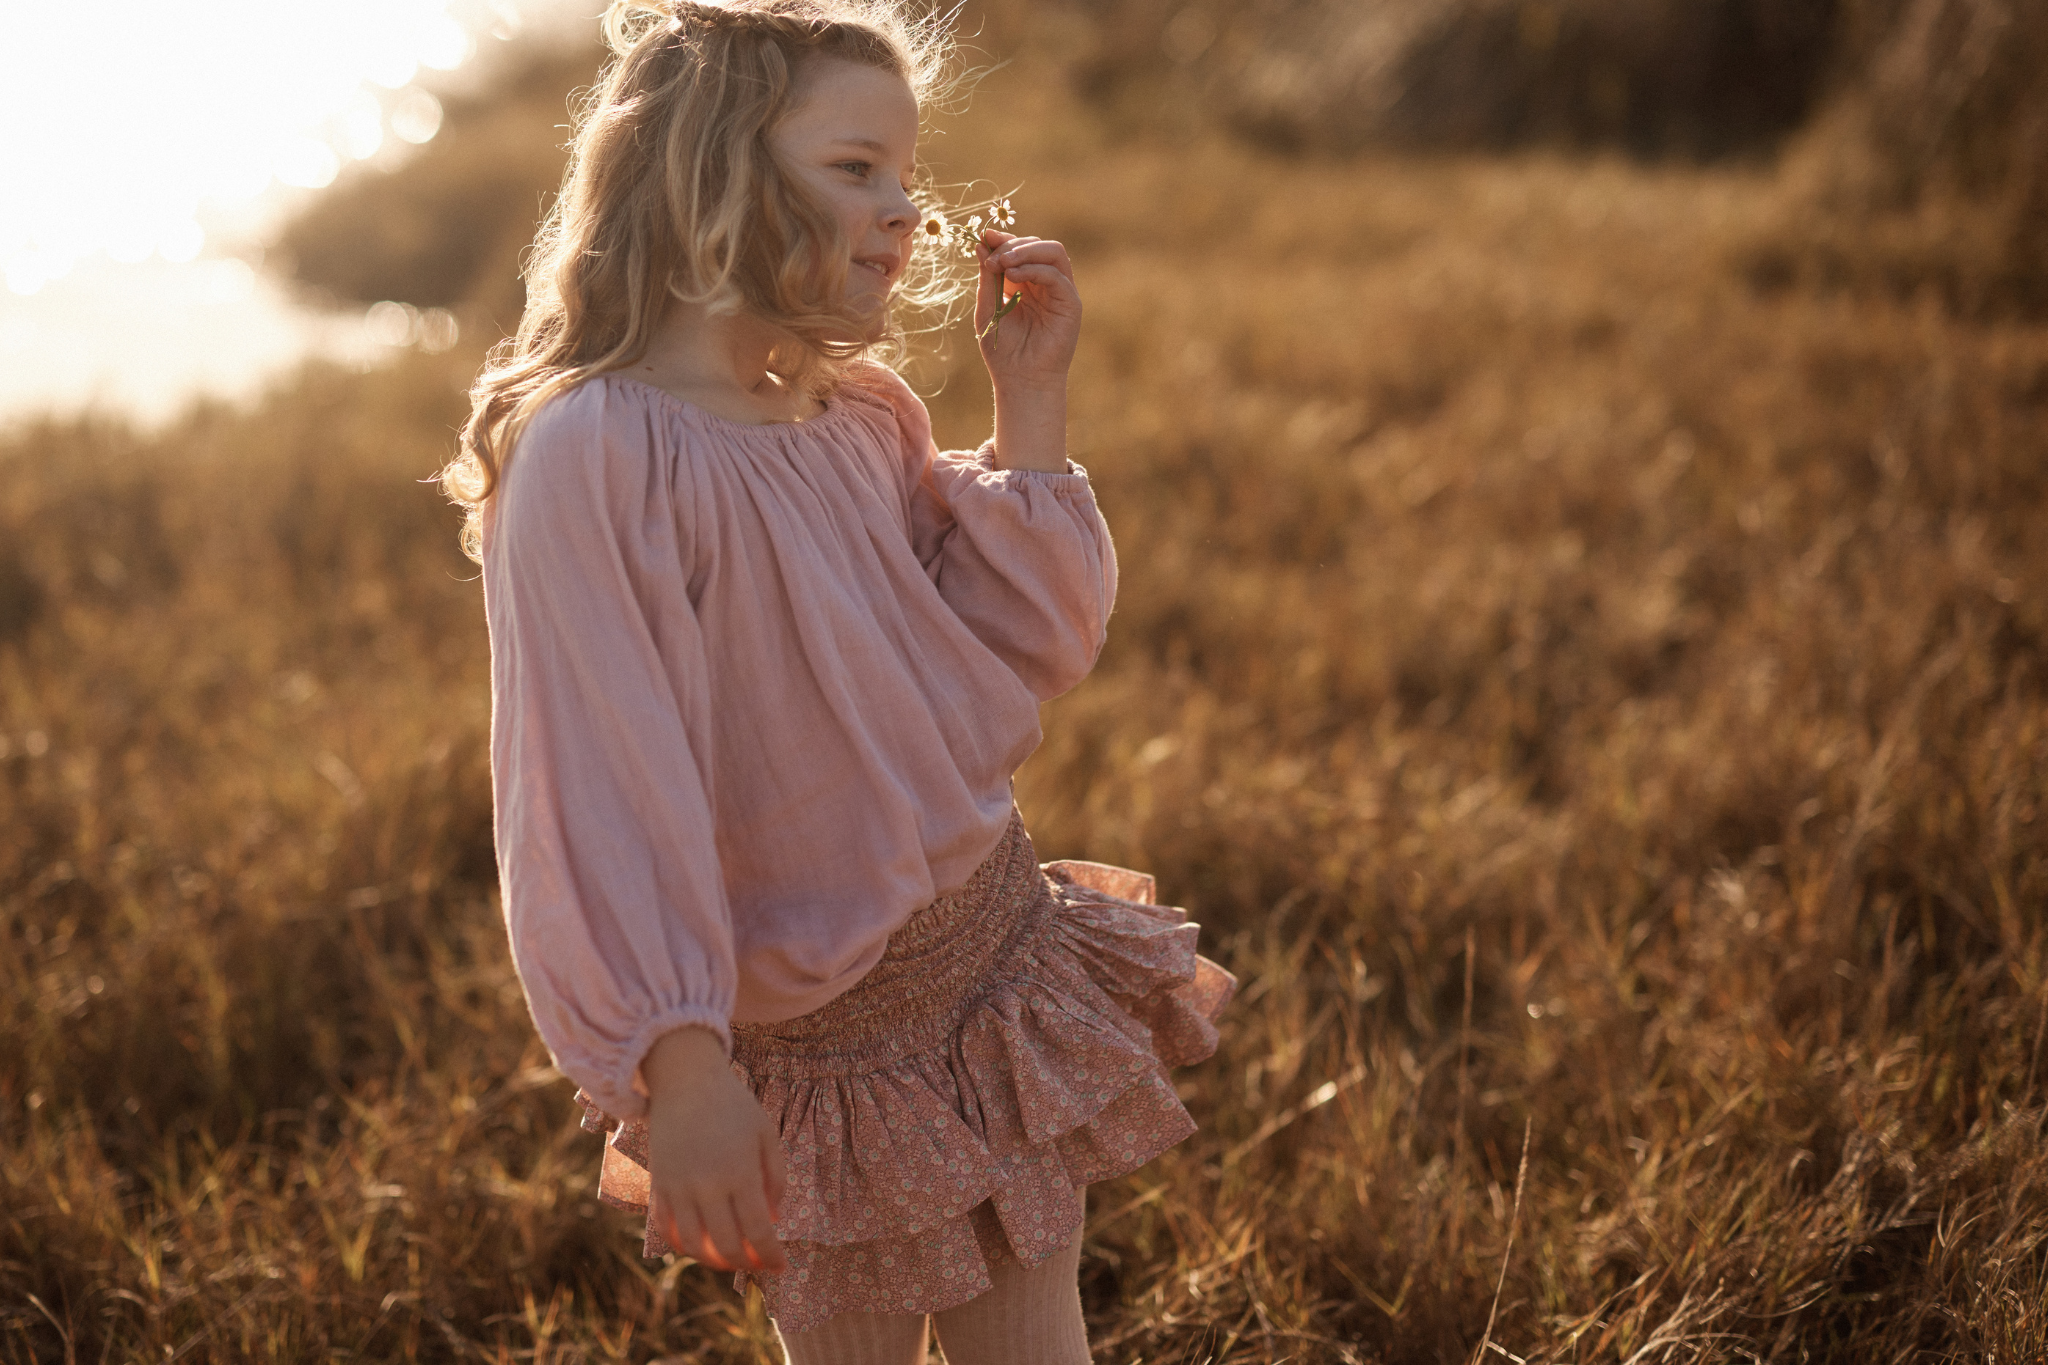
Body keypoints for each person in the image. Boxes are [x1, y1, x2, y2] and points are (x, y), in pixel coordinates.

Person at [441, 1, 1236, 1360]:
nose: (905, 209)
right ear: (716, 175)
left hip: (987, 953)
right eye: (856, 169)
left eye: (906, 175)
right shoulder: (595, 457)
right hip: (820, 1041)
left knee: (1037, 1347)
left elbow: (1017, 646)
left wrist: (1028, 406)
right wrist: (680, 1058)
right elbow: (598, 790)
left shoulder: (855, 408)